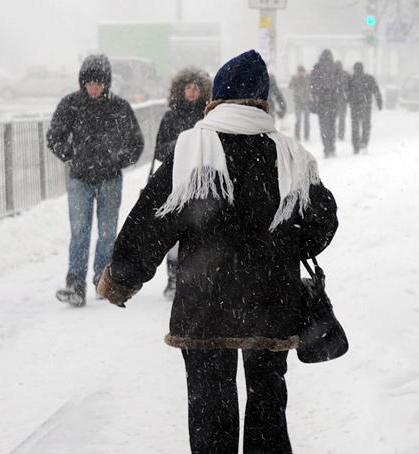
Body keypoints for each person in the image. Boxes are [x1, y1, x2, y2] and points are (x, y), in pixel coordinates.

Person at [97, 50, 338, 454]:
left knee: (210, 412)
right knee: (268, 409)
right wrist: (286, 244)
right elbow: (322, 223)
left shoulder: (192, 152)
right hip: (270, 302)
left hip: (206, 303)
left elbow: (151, 220)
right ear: (262, 100)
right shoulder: (291, 156)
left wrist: (122, 277)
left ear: (217, 97)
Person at [46, 54, 144, 307]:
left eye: (98, 83)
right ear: (82, 82)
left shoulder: (119, 107)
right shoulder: (71, 105)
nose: (93, 87)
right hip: (80, 178)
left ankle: (102, 281)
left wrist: (119, 159)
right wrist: (69, 155)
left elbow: (136, 142)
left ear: (107, 83)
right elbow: (54, 136)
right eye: (89, 83)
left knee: (107, 233)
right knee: (80, 232)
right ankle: (75, 285)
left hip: (110, 178)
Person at [153, 67, 211, 299]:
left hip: (201, 182)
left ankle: (198, 278)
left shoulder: (208, 116)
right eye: (188, 87)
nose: (192, 91)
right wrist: (181, 146)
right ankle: (174, 278)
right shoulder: (171, 116)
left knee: (201, 231)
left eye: (197, 87)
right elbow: (158, 149)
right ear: (181, 89)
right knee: (175, 232)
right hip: (175, 182)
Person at [349, 62, 383, 154]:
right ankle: (364, 142)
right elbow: (376, 91)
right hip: (366, 106)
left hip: (354, 106)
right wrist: (379, 102)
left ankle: (356, 146)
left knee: (355, 127)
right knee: (366, 126)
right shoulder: (369, 78)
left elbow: (347, 92)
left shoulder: (351, 79)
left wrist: (348, 101)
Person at [310, 49, 339, 157]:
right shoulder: (335, 67)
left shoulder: (317, 68)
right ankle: (332, 146)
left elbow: (312, 84)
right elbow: (339, 84)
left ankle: (326, 147)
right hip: (333, 102)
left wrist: (317, 94)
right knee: (332, 125)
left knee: (324, 126)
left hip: (321, 103)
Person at [289, 65, 312, 141]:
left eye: (302, 72)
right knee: (298, 120)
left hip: (306, 102)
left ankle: (306, 136)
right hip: (298, 102)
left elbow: (310, 87)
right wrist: (295, 79)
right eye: (299, 72)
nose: (301, 73)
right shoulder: (295, 79)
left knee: (306, 120)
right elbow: (290, 86)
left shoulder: (307, 79)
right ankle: (298, 135)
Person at [334, 60, 351, 141]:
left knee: (333, 118)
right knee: (341, 118)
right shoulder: (346, 74)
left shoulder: (331, 74)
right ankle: (340, 134)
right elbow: (350, 86)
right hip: (342, 99)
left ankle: (334, 134)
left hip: (333, 99)